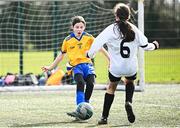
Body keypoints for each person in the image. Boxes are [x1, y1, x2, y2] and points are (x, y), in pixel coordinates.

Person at [87, 3, 159, 124]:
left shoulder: (110, 29)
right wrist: (155, 46)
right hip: (131, 67)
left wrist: (89, 55)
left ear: (116, 16)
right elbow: (145, 45)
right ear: (129, 16)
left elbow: (96, 44)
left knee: (111, 87)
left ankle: (104, 117)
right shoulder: (134, 29)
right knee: (130, 81)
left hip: (116, 68)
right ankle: (128, 102)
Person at [42, 16, 108, 119]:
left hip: (88, 66)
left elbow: (100, 47)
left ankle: (85, 105)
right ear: (73, 27)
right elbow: (61, 55)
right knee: (81, 83)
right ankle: (79, 107)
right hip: (76, 67)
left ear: (84, 27)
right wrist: (50, 67)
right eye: (77, 27)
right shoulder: (68, 40)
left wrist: (110, 59)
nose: (79, 29)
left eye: (81, 27)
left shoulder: (89, 37)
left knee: (91, 83)